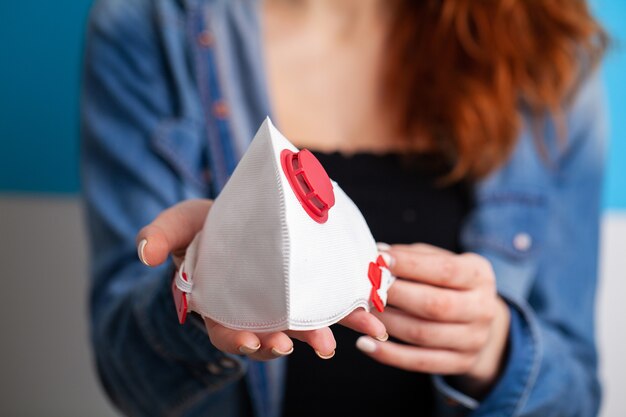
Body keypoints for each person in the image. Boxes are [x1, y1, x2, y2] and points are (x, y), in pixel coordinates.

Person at [80, 0, 608, 416]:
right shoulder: (149, 27)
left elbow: (578, 396)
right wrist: (191, 295)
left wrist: (494, 349)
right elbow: (130, 382)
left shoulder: (544, 44)